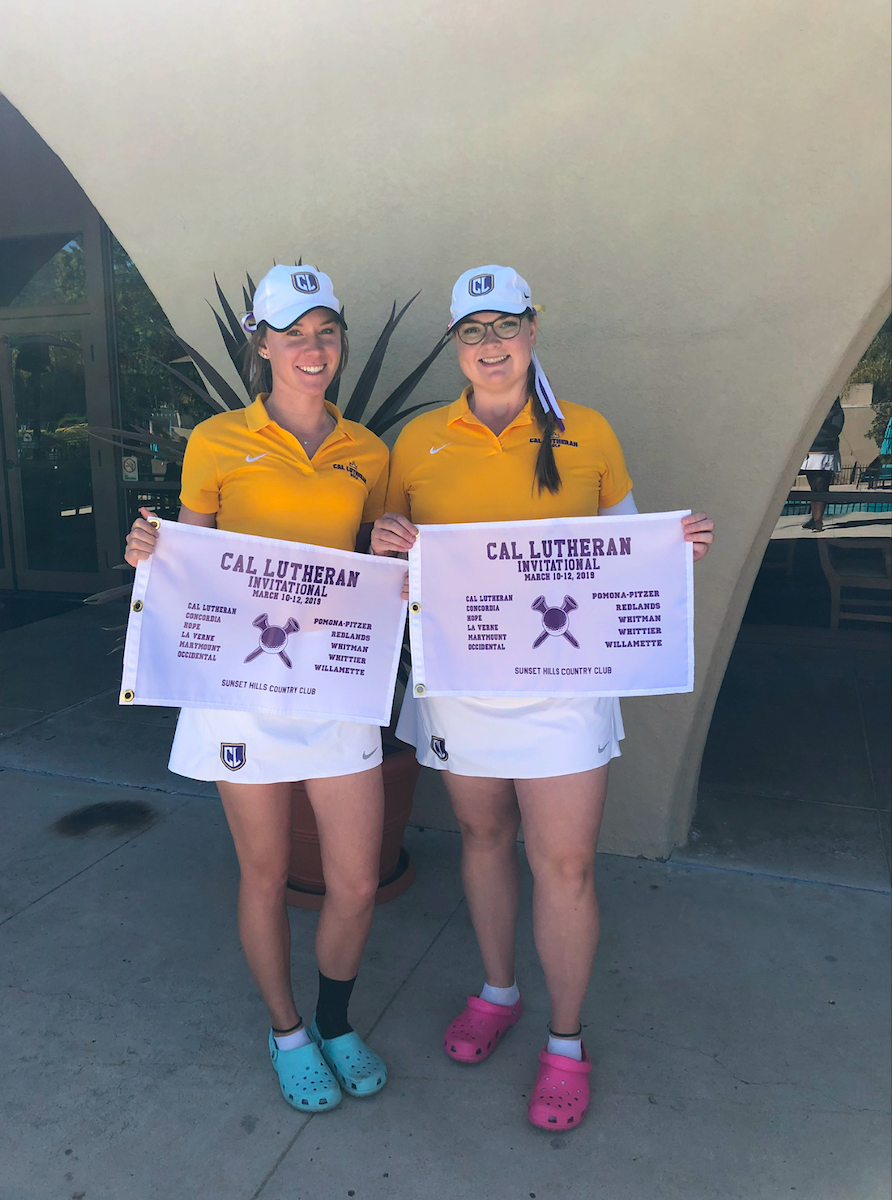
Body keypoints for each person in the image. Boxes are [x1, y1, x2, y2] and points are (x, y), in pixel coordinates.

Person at [371, 265, 714, 1132]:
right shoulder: (417, 440)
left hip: (565, 690)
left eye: (504, 325)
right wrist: (386, 540)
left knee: (564, 866)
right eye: (472, 330)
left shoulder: (586, 431)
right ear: (455, 344)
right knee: (484, 839)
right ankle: (498, 992)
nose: (489, 344)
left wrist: (670, 550)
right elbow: (386, 555)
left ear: (532, 327)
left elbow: (623, 550)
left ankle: (565, 1041)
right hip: (460, 685)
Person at [125, 265, 390, 1114]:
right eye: (293, 334)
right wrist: (149, 551)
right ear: (262, 345)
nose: (312, 349)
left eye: (325, 332)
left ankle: (335, 1023)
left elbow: (371, 561)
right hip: (240, 689)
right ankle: (286, 1032)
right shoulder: (215, 440)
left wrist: (395, 544)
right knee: (266, 873)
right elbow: (191, 557)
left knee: (354, 882)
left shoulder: (368, 451)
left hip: (332, 683)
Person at [801, 397, 845, 532]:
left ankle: (818, 521)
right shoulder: (812, 410)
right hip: (810, 451)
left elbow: (835, 430)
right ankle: (814, 517)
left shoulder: (836, 412)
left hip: (825, 452)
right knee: (814, 488)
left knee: (821, 488)